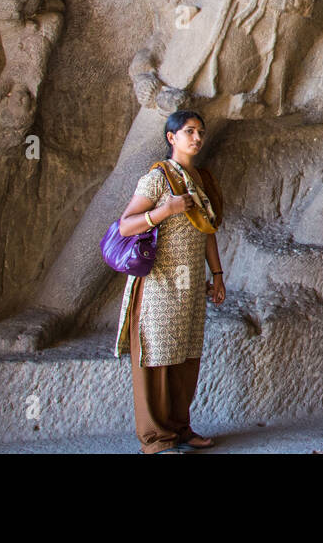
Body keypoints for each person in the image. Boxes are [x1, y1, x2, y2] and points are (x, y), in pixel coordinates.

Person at [114, 110, 226, 453]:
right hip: (160, 283)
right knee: (157, 357)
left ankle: (180, 429)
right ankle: (156, 439)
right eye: (189, 131)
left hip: (191, 283)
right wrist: (165, 210)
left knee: (186, 356)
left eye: (200, 132)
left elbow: (207, 232)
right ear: (171, 138)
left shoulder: (202, 179)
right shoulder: (159, 178)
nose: (196, 138)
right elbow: (125, 225)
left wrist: (217, 274)